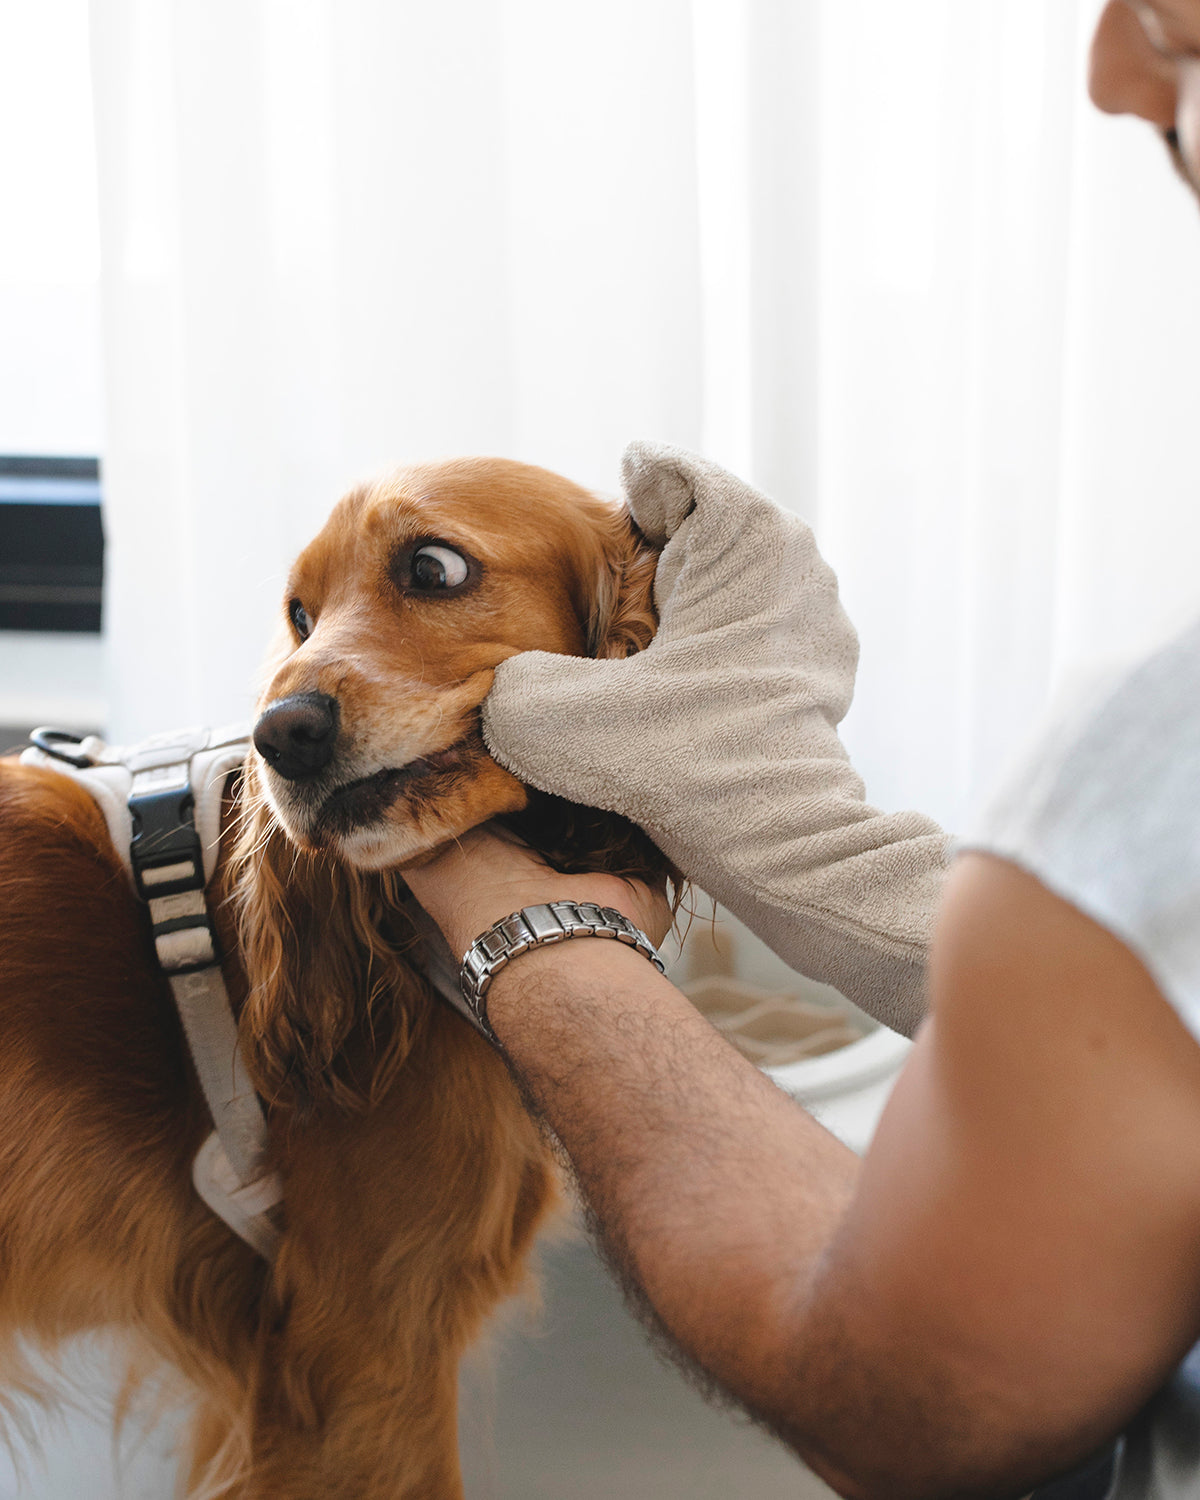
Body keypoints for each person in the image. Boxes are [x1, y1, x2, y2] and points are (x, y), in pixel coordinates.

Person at [406, 5, 1200, 1496]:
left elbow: (911, 1393)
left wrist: (536, 933)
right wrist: (790, 827)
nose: (1110, 73)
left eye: (1178, 20)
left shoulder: (1154, 768)